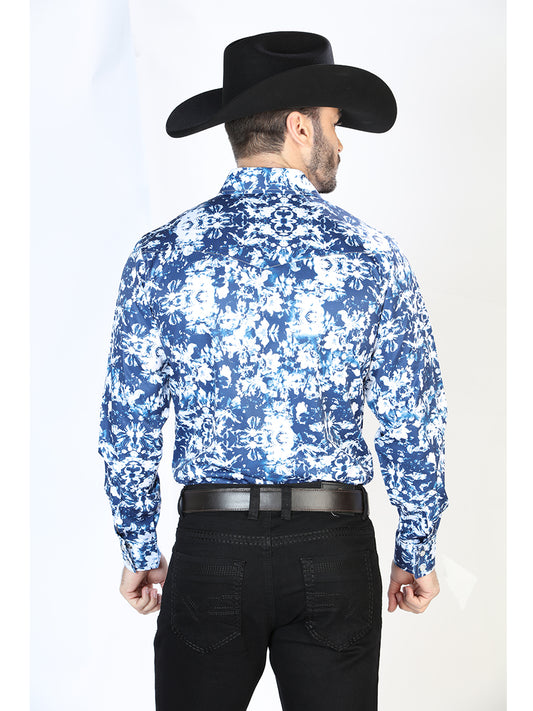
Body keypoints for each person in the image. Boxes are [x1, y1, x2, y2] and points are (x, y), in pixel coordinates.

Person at [98, 30, 448, 711]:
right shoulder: (372, 255)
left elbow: (127, 419)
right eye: (334, 125)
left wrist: (139, 545)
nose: (339, 143)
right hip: (332, 550)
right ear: (298, 127)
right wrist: (417, 547)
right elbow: (414, 419)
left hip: (212, 547)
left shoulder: (162, 254)